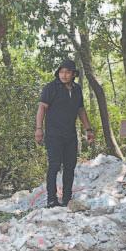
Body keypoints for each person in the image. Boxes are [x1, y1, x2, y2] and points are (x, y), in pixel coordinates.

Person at [35, 59, 95, 208]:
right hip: (54, 134)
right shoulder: (51, 88)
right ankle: (51, 199)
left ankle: (67, 198)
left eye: (67, 72)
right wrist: (39, 129)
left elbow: (81, 110)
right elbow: (42, 108)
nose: (64, 75)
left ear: (73, 74)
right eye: (61, 72)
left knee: (70, 166)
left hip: (70, 135)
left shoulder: (77, 89)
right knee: (54, 166)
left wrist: (88, 129)